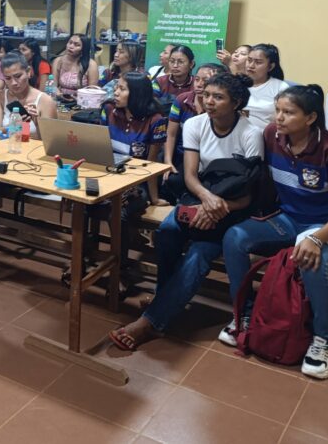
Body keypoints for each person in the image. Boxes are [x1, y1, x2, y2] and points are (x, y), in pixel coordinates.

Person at [108, 72, 262, 351]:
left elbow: (249, 196)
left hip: (232, 208)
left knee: (200, 252)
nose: (209, 101)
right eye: (206, 95)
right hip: (199, 198)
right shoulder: (195, 124)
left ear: (236, 102)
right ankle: (166, 297)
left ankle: (152, 322)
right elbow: (190, 175)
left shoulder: (251, 134)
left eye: (218, 97)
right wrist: (206, 201)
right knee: (167, 231)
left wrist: (218, 207)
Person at [222, 85, 328, 379]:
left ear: (310, 118)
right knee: (234, 238)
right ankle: (243, 315)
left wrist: (315, 238)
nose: (278, 118)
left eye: (288, 112)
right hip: (288, 219)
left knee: (312, 261)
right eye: (277, 110)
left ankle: (322, 339)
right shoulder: (272, 136)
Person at [0, 52, 57, 258]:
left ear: (29, 72)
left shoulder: (44, 100)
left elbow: (50, 145)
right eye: (8, 78)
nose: (14, 83)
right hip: (4, 158)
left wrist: (37, 122)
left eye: (18, 76)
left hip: (32, 164)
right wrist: (16, 124)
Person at [163, 62, 228, 197]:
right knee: (170, 180)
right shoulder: (182, 100)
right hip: (183, 156)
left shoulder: (217, 106)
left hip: (209, 159)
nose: (199, 84)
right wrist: (167, 162)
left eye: (206, 80)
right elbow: (171, 134)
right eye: (197, 79)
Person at [102, 71, 166, 167]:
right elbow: (100, 146)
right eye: (116, 87)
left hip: (139, 172)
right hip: (108, 166)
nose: (116, 93)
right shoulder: (109, 109)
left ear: (137, 93)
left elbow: (152, 162)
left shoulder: (156, 120)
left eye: (122, 89)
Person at [243, 43, 289, 128]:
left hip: (265, 136)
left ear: (270, 66)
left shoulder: (280, 87)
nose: (251, 65)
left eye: (258, 62)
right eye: (249, 60)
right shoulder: (238, 83)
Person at [51, 33, 98, 102]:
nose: (71, 46)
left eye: (76, 45)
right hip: (61, 100)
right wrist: (58, 93)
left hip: (82, 102)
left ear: (83, 49)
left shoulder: (91, 64)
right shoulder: (58, 61)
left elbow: (92, 91)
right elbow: (53, 84)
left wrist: (79, 99)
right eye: (70, 43)